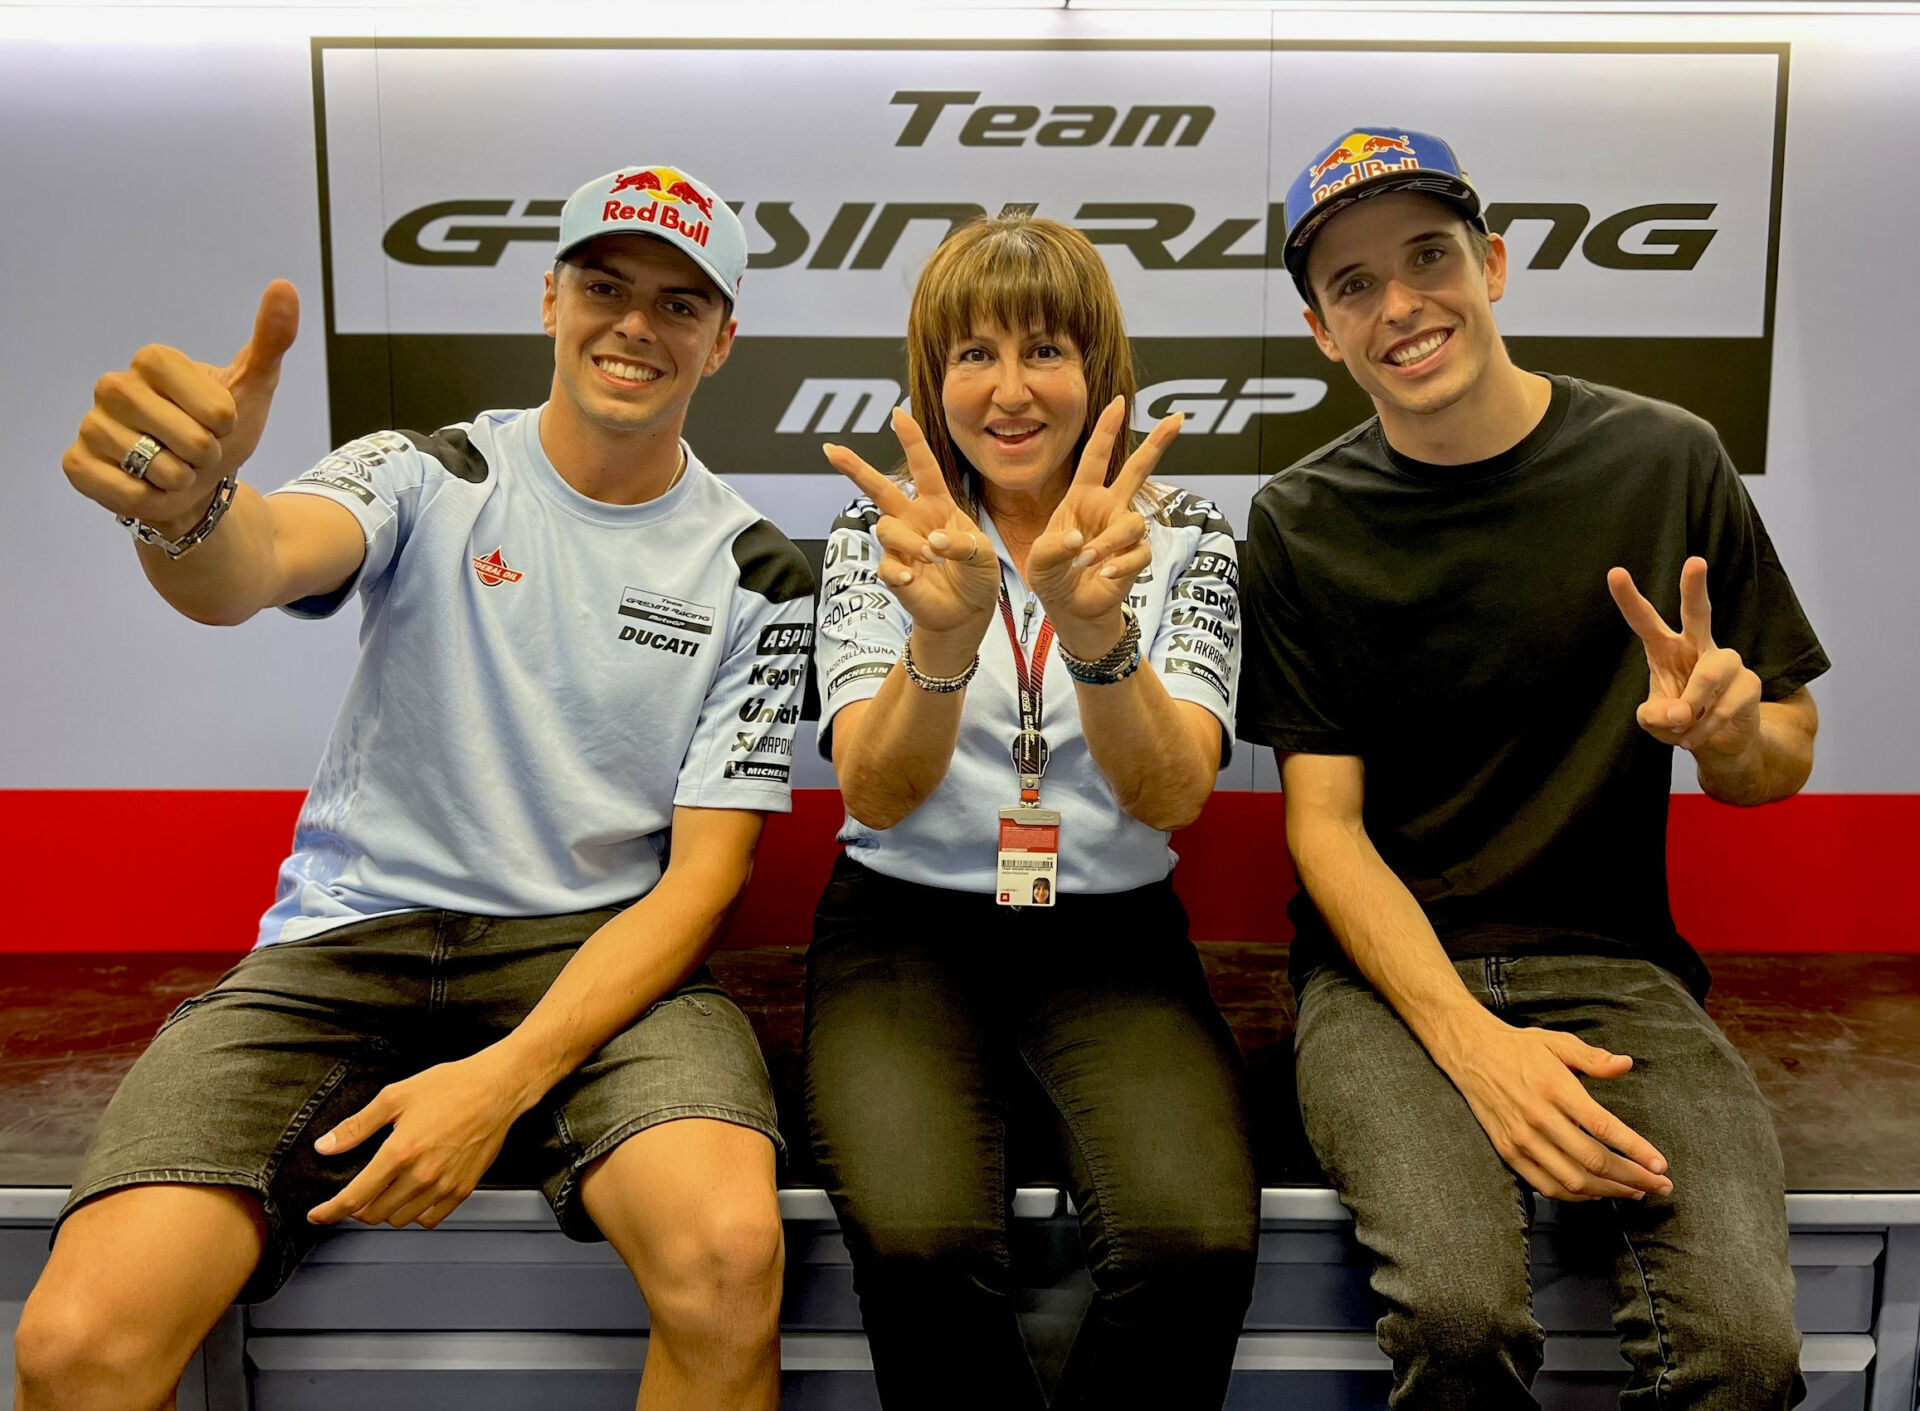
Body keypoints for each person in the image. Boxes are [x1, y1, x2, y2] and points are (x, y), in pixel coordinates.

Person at [17, 165, 811, 1411]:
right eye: (606, 286)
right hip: (343, 949)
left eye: (679, 302)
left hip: (595, 954)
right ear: (550, 297)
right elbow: (255, 562)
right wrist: (187, 507)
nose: (635, 326)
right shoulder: (429, 472)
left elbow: (706, 882)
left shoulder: (760, 569)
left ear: (723, 339)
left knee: (729, 1262)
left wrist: (496, 1085)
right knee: (75, 1348)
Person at [1236, 127, 1828, 1409]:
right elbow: (1324, 832)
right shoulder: (1295, 520)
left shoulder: (1668, 459)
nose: (1400, 304)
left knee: (1743, 1349)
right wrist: (1473, 1042)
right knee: (1454, 1321)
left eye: (1428, 256)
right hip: (1383, 985)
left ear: (1493, 265)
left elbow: (1779, 754)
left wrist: (1728, 735)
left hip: (1619, 971)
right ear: (1320, 326)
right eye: (1352, 285)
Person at [805, 213, 1259, 1410]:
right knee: (922, 1245)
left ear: (1100, 373)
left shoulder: (1190, 534)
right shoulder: (883, 537)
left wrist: (1100, 629)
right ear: (931, 378)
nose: (1009, 391)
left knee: (1192, 1247)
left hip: (1112, 934)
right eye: (974, 355)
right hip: (903, 928)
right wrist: (944, 636)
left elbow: (1174, 793)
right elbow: (877, 790)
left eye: (1045, 350)